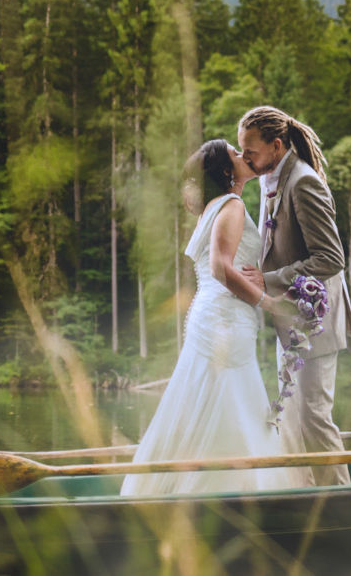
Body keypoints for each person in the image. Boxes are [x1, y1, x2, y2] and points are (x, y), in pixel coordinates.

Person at [120, 139, 298, 496]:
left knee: (208, 397)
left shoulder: (212, 207)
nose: (242, 155)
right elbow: (220, 268)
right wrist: (268, 302)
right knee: (234, 399)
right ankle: (232, 490)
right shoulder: (230, 205)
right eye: (235, 152)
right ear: (224, 170)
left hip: (214, 313)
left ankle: (196, 485)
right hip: (225, 318)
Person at [238, 106, 351, 486]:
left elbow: (331, 258)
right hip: (287, 318)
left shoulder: (304, 182)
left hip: (315, 320)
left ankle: (341, 503)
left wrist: (267, 280)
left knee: (313, 417)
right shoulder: (268, 178)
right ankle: (303, 501)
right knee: (290, 418)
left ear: (276, 146)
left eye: (250, 152)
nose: (245, 159)